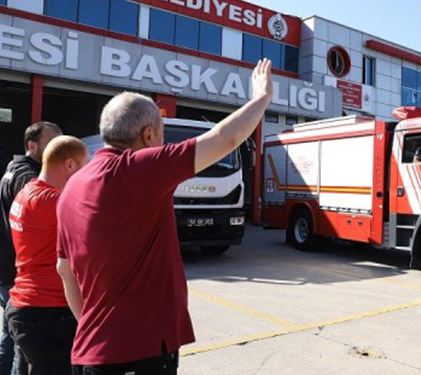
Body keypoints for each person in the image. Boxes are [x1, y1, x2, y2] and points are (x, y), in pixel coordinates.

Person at [56, 59, 274, 375]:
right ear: (148, 135)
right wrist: (262, 98)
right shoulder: (140, 169)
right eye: (161, 134)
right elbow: (224, 139)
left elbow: (65, 270)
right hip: (138, 356)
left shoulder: (72, 186)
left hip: (90, 351)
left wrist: (96, 329)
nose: (162, 143)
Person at [6, 136, 87, 375]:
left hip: (26, 306)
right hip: (49, 313)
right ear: (70, 165)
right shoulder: (56, 202)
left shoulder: (26, 192)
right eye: (85, 165)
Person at [0, 122, 62, 375]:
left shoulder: (14, 169)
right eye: (51, 145)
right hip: (17, 273)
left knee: (10, 338)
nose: (55, 151)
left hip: (13, 270)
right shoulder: (28, 177)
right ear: (31, 145)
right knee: (18, 346)